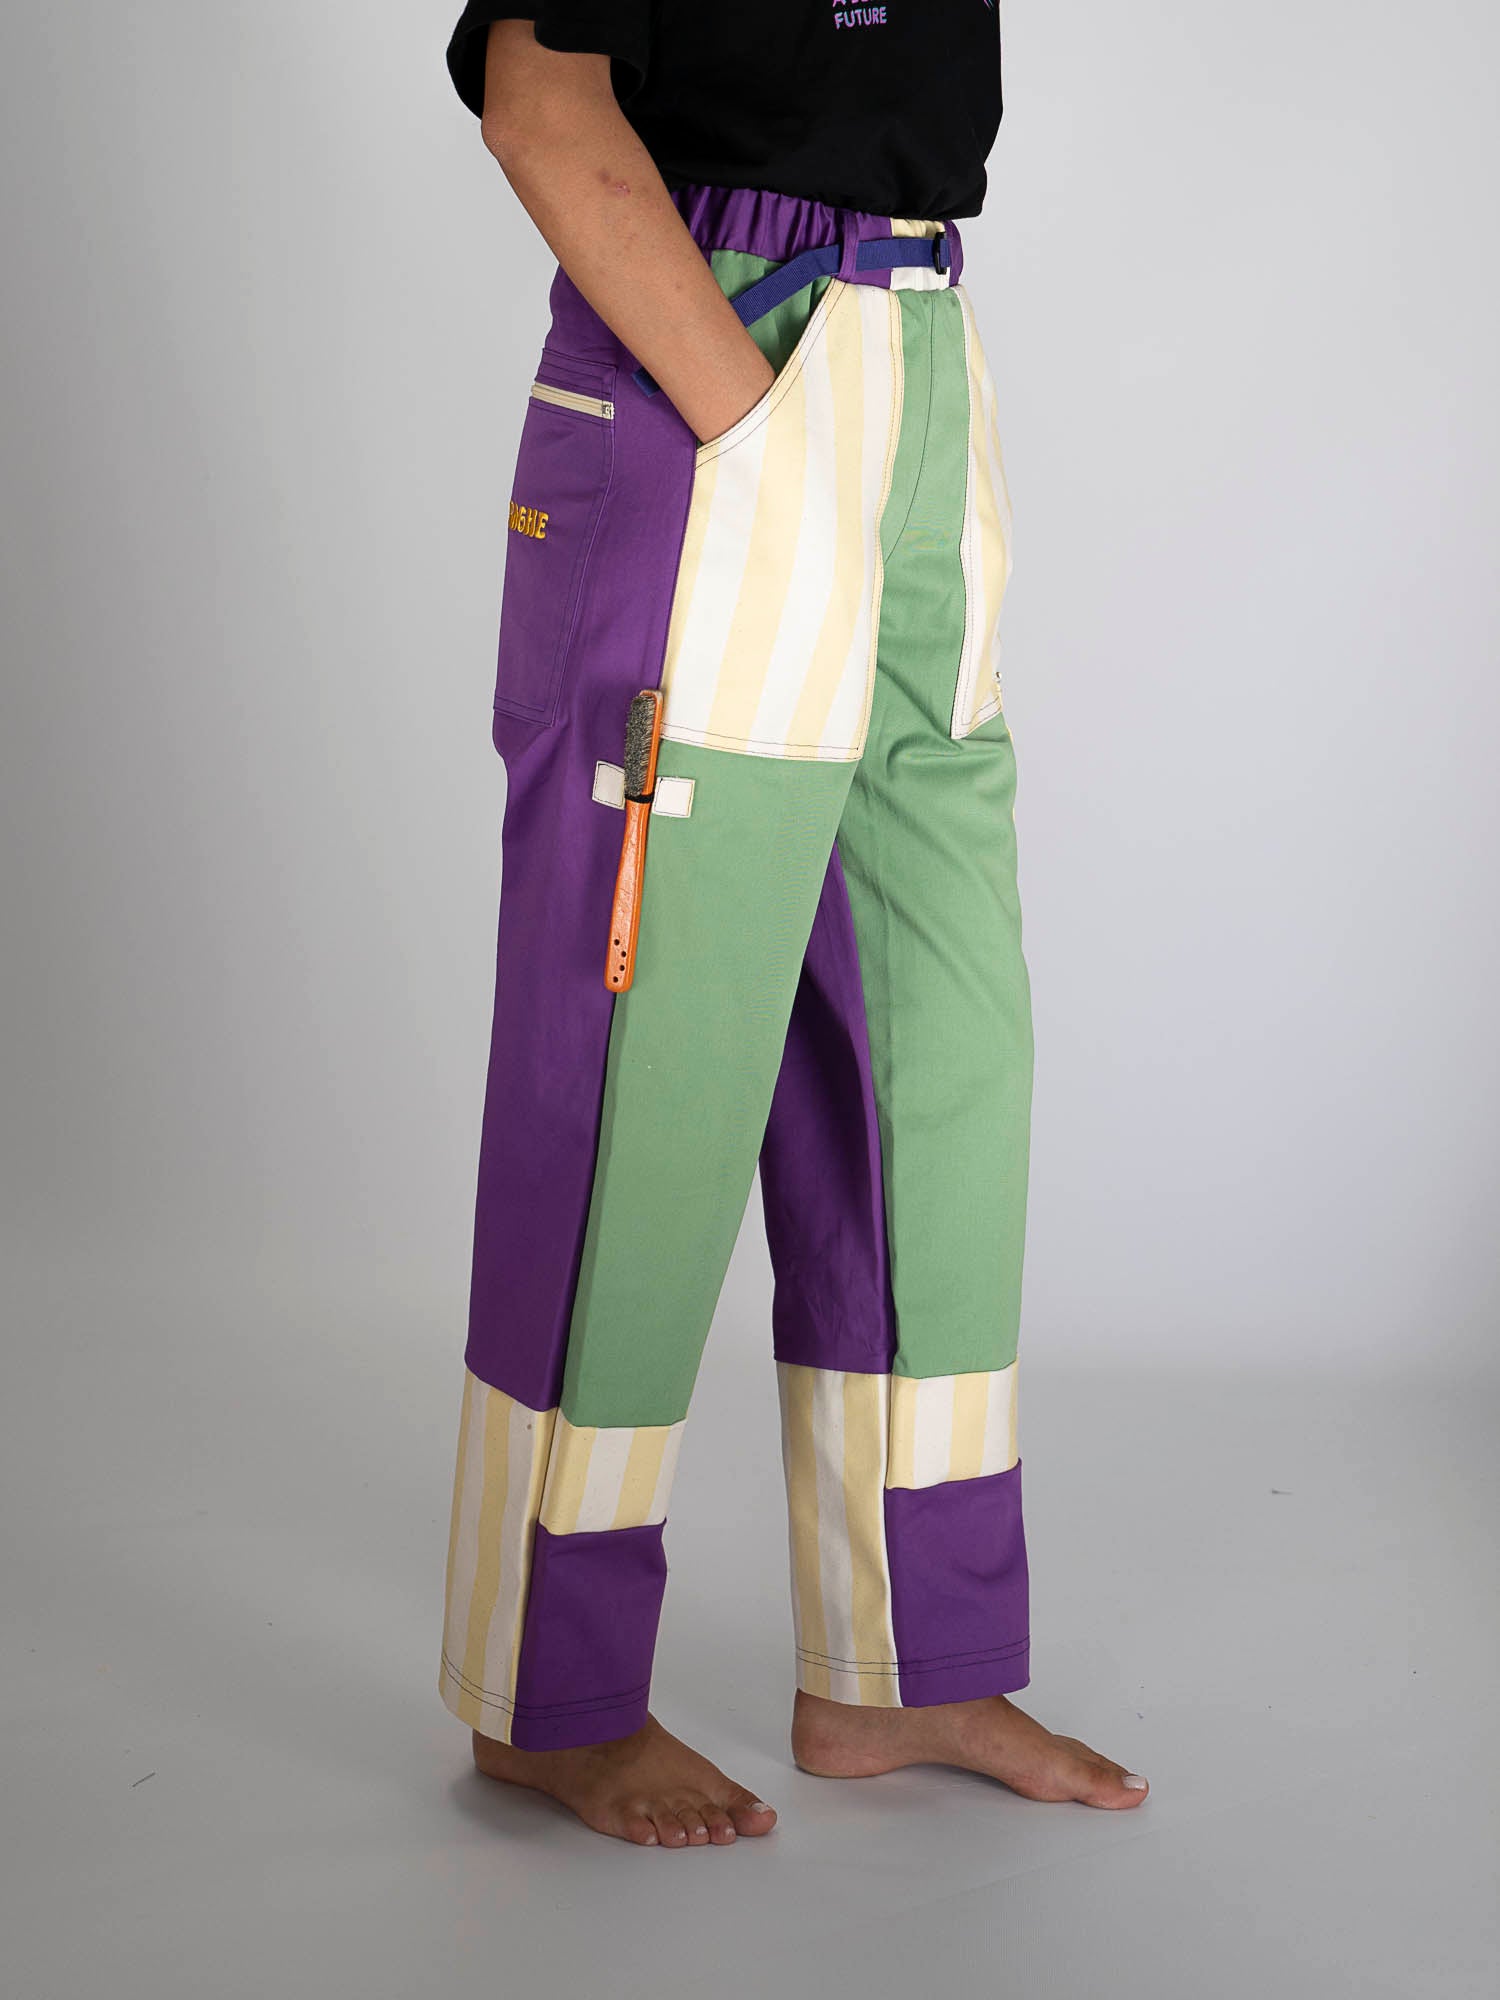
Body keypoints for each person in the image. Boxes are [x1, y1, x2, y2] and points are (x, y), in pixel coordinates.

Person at [437, 2, 1150, 1848]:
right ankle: (550, 1692)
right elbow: (540, 97)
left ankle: (905, 1664)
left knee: (939, 1059)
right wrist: (755, 424)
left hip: (921, 353)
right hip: (718, 342)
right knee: (647, 1069)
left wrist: (871, 419)